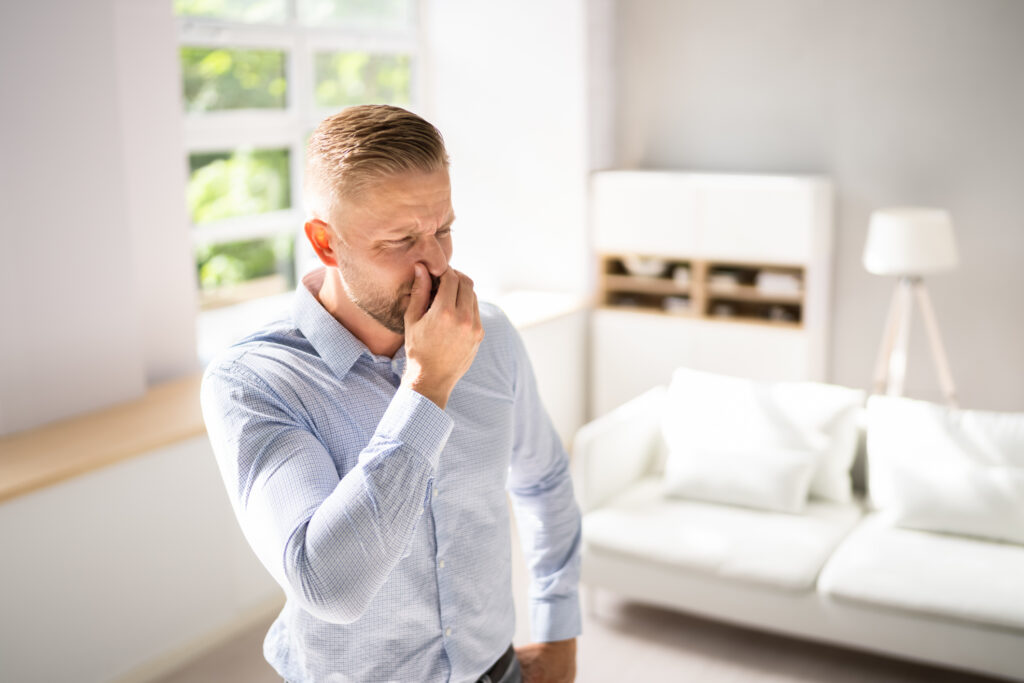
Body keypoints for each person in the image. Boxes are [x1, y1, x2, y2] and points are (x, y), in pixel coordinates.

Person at [200, 104, 582, 683]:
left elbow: (543, 479)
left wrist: (560, 634)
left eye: (444, 229)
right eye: (400, 240)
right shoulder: (255, 382)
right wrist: (428, 389)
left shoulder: (492, 334)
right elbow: (328, 587)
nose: (435, 261)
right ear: (325, 242)